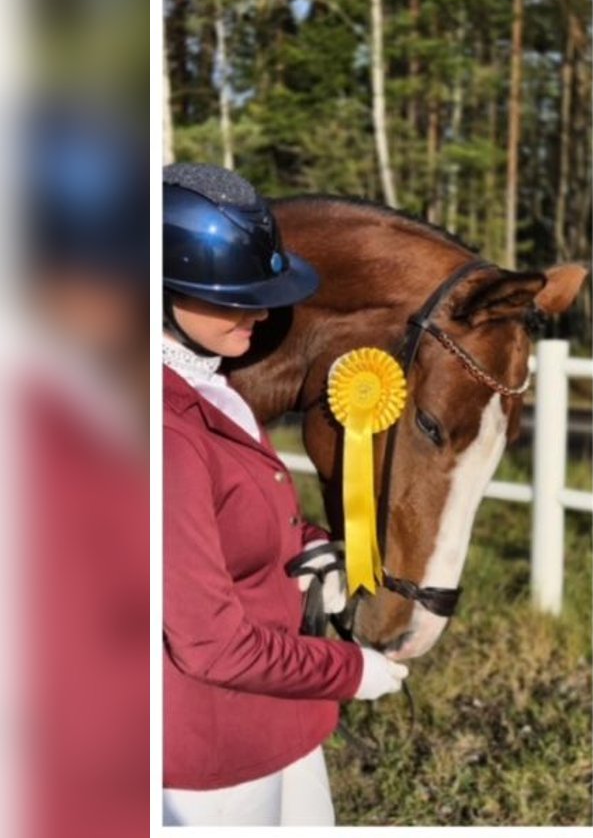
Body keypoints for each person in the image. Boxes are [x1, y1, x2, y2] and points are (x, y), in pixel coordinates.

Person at [161, 163, 408, 826]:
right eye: (230, 295)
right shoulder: (162, 430)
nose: (261, 311)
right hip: (210, 751)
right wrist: (350, 670)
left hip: (282, 722)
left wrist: (315, 546)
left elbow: (244, 517)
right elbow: (211, 645)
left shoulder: (210, 386)